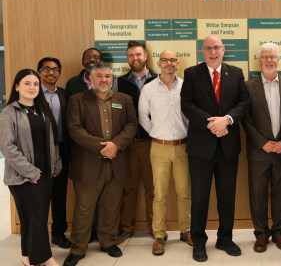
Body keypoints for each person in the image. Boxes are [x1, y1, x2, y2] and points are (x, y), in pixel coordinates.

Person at [181, 35, 250, 262]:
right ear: (203, 51)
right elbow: (187, 105)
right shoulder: (192, 73)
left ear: (223, 49)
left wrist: (227, 120)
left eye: (217, 47)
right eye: (208, 48)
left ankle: (225, 239)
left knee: (227, 196)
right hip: (201, 147)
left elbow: (243, 103)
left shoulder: (236, 73)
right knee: (200, 197)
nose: (213, 52)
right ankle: (199, 242)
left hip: (228, 146)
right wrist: (213, 124)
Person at [63, 63, 138, 266]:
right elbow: (75, 129)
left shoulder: (124, 99)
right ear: (90, 77)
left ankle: (107, 241)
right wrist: (103, 147)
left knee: (111, 205)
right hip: (89, 162)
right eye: (99, 76)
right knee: (84, 208)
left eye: (107, 75)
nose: (104, 79)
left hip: (116, 161)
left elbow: (132, 124)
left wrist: (116, 145)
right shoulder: (77, 100)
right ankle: (78, 248)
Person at [241, 43, 281, 253]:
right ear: (259, 60)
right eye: (265, 57)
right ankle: (261, 234)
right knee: (257, 194)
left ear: (278, 60)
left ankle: (279, 232)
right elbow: (245, 119)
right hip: (259, 150)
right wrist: (262, 142)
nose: (269, 60)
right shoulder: (248, 86)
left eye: (272, 57)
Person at [0, 69, 62, 266]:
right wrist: (31, 172)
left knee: (34, 218)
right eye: (27, 83)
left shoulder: (42, 110)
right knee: (35, 217)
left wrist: (56, 163)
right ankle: (45, 258)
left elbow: (52, 141)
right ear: (17, 86)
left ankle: (27, 258)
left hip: (46, 173)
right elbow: (7, 147)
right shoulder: (8, 112)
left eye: (35, 84)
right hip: (24, 176)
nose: (32, 87)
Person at [139, 50, 193, 255]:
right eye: (164, 60)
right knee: (159, 194)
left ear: (177, 63)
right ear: (159, 64)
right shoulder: (149, 88)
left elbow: (190, 115)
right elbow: (143, 116)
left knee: (184, 193)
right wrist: (156, 133)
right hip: (159, 147)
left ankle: (186, 231)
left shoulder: (186, 86)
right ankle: (159, 235)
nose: (169, 63)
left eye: (172, 60)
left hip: (183, 147)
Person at [112, 41, 158, 244]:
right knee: (127, 189)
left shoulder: (158, 80)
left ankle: (156, 228)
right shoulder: (118, 82)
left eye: (138, 54)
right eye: (131, 55)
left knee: (153, 189)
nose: (135, 58)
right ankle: (126, 228)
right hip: (127, 145)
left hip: (152, 143)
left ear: (146, 56)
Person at [65, 47, 103, 242]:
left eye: (95, 57)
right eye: (87, 57)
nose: (91, 60)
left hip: (106, 149)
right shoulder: (73, 83)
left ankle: (100, 232)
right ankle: (82, 237)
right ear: (83, 62)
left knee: (104, 198)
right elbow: (71, 119)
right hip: (81, 147)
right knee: (84, 198)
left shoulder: (108, 82)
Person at [37, 57, 71, 249]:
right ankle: (38, 234)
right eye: (47, 69)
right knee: (39, 195)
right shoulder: (32, 94)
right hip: (39, 152)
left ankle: (58, 233)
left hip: (61, 150)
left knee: (60, 194)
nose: (51, 73)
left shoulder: (65, 94)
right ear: (39, 72)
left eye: (55, 69)